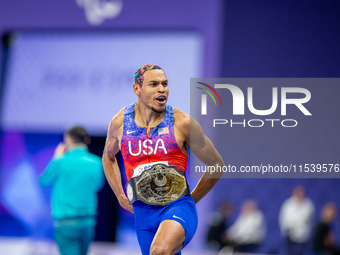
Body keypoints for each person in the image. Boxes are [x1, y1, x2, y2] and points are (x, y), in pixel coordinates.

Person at [102, 64, 224, 255]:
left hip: (177, 207)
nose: (162, 89)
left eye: (165, 84)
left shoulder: (182, 122)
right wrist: (120, 196)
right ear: (137, 88)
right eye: (154, 84)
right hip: (143, 215)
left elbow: (217, 165)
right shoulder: (120, 123)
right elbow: (108, 157)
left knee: (159, 251)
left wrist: (191, 200)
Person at [40, 126, 104, 255]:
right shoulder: (96, 162)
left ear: (68, 139)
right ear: (87, 140)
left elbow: (44, 180)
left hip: (66, 223)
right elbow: (98, 185)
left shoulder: (60, 162)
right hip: (88, 222)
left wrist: (57, 157)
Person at [279, 185, 315, 255]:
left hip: (303, 235)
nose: (299, 195)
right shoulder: (288, 204)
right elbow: (283, 218)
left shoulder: (308, 205)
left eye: (300, 193)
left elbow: (309, 219)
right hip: (289, 235)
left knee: (301, 252)